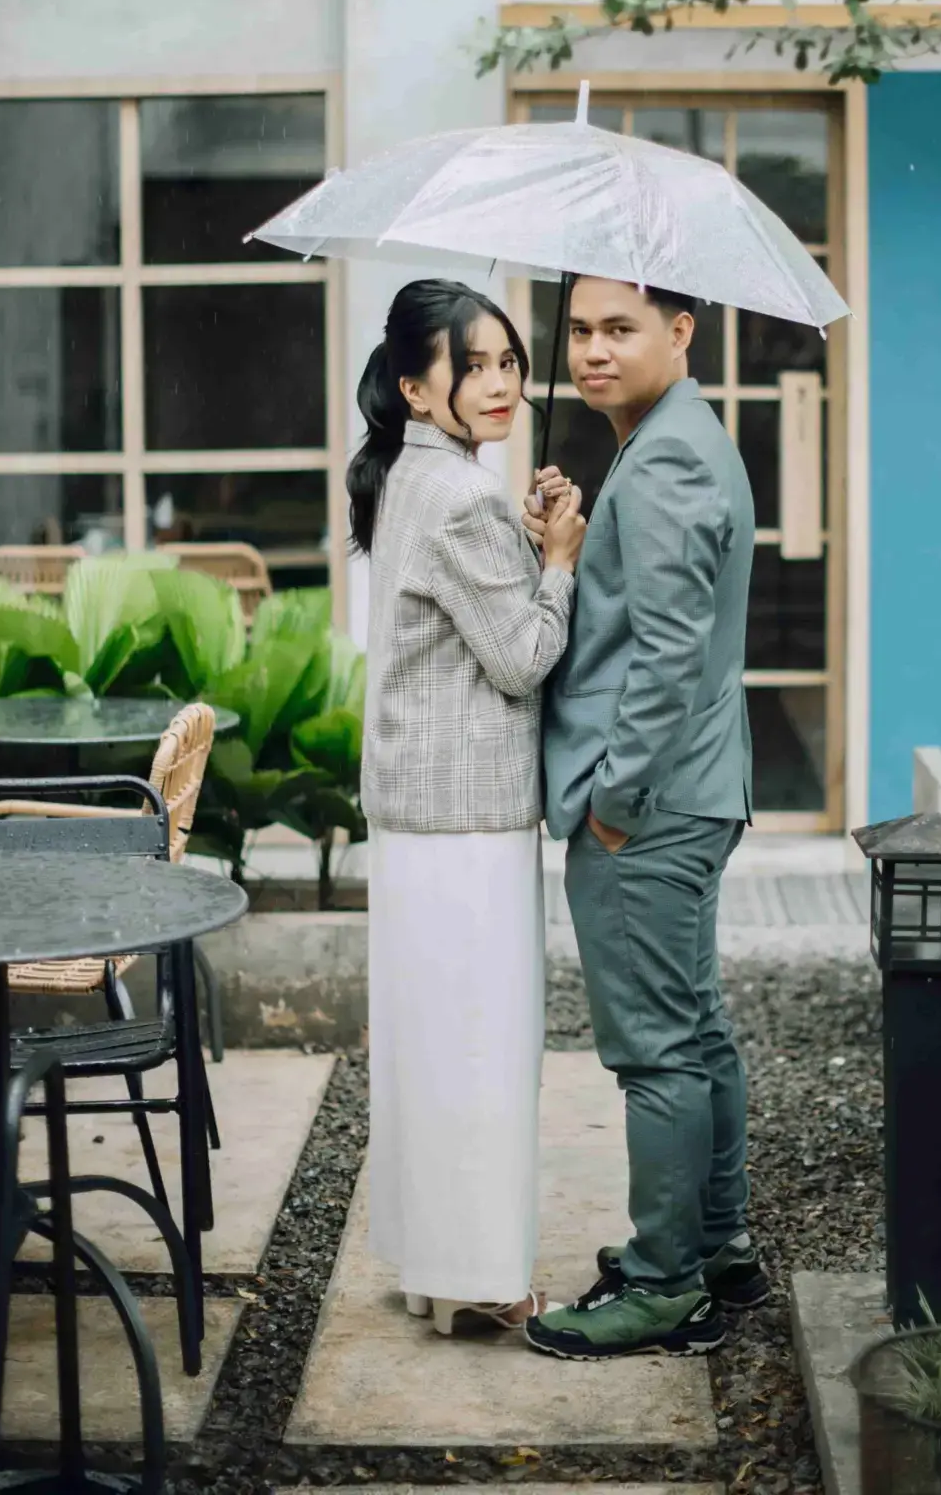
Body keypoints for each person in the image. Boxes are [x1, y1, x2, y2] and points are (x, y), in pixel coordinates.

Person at [522, 277, 765, 1361]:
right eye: (579, 330)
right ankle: (716, 1245)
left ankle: (666, 1289)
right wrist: (567, 545)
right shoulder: (671, 439)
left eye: (619, 329)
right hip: (692, 789)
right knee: (695, 1028)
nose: (592, 351)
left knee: (656, 1051)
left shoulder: (664, 458)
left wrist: (612, 803)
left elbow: (667, 655)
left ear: (680, 330)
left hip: (649, 805)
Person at [352, 277, 586, 1336]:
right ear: (414, 387)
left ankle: (438, 1270)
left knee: (432, 1050)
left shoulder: (415, 474)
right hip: (467, 821)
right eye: (473, 365)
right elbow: (522, 658)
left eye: (508, 363)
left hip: (418, 814)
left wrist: (523, 542)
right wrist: (558, 562)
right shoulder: (463, 495)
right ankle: (486, 1280)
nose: (500, 383)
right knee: (482, 1053)